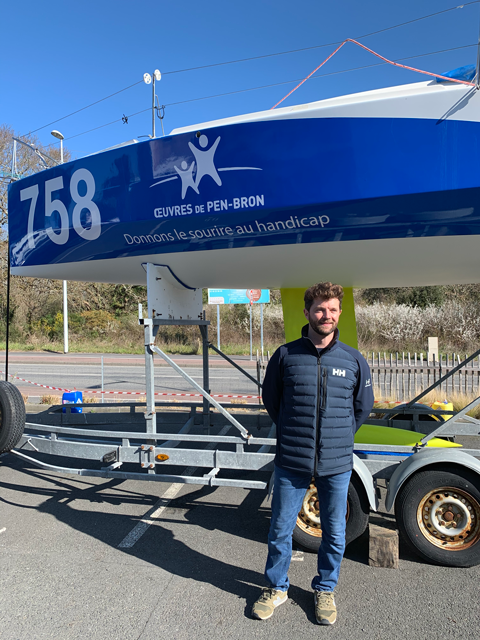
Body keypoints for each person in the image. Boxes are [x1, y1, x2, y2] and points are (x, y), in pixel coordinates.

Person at [252, 282, 374, 625]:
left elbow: (363, 407)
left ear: (339, 314)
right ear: (306, 313)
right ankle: (276, 588)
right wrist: (294, 433)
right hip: (292, 459)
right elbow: (272, 401)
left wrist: (339, 437)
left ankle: (325, 589)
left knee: (334, 532)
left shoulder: (353, 360)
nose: (327, 315)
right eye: (320, 309)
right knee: (280, 528)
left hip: (336, 463)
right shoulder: (286, 355)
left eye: (333, 309)